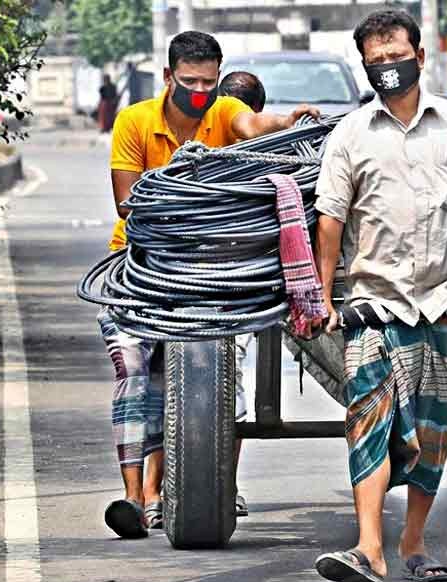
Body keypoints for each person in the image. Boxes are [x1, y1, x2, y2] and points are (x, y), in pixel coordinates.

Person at [312, 9, 447, 582]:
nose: (388, 69)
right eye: (375, 62)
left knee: (433, 434)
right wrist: (325, 296)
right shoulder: (350, 134)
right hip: (373, 306)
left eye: (395, 57)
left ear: (420, 58)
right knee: (367, 426)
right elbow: (330, 219)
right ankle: (368, 549)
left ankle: (414, 541)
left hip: (445, 305)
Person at [100, 30, 319, 539]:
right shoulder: (134, 123)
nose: (199, 90)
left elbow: (252, 122)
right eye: (189, 81)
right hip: (139, 268)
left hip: (212, 274)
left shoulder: (222, 113)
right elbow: (129, 206)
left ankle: (165, 493)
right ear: (168, 77)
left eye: (208, 81)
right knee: (136, 370)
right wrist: (194, 204)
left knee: (196, 377)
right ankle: (135, 496)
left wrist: (285, 122)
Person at [217, 68, 270, 519]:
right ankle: (219, 487)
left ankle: (158, 492)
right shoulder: (266, 156)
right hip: (232, 289)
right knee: (224, 388)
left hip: (239, 288)